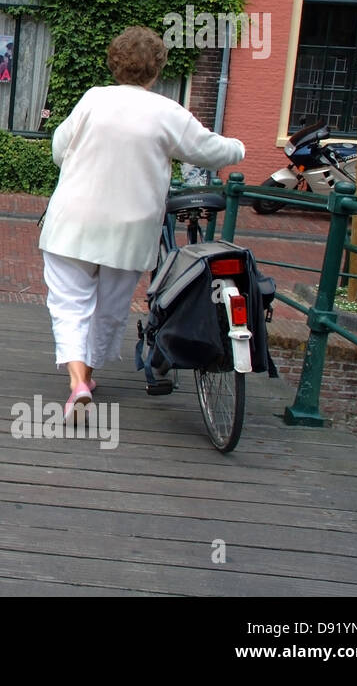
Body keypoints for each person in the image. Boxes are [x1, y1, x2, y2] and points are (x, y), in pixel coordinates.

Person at [38, 26, 245, 421]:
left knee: (69, 303)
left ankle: (77, 382)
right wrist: (240, 147)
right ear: (157, 69)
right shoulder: (167, 112)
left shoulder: (93, 100)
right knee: (110, 309)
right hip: (130, 230)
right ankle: (88, 377)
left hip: (73, 220)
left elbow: (59, 150)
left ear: (115, 64)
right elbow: (211, 151)